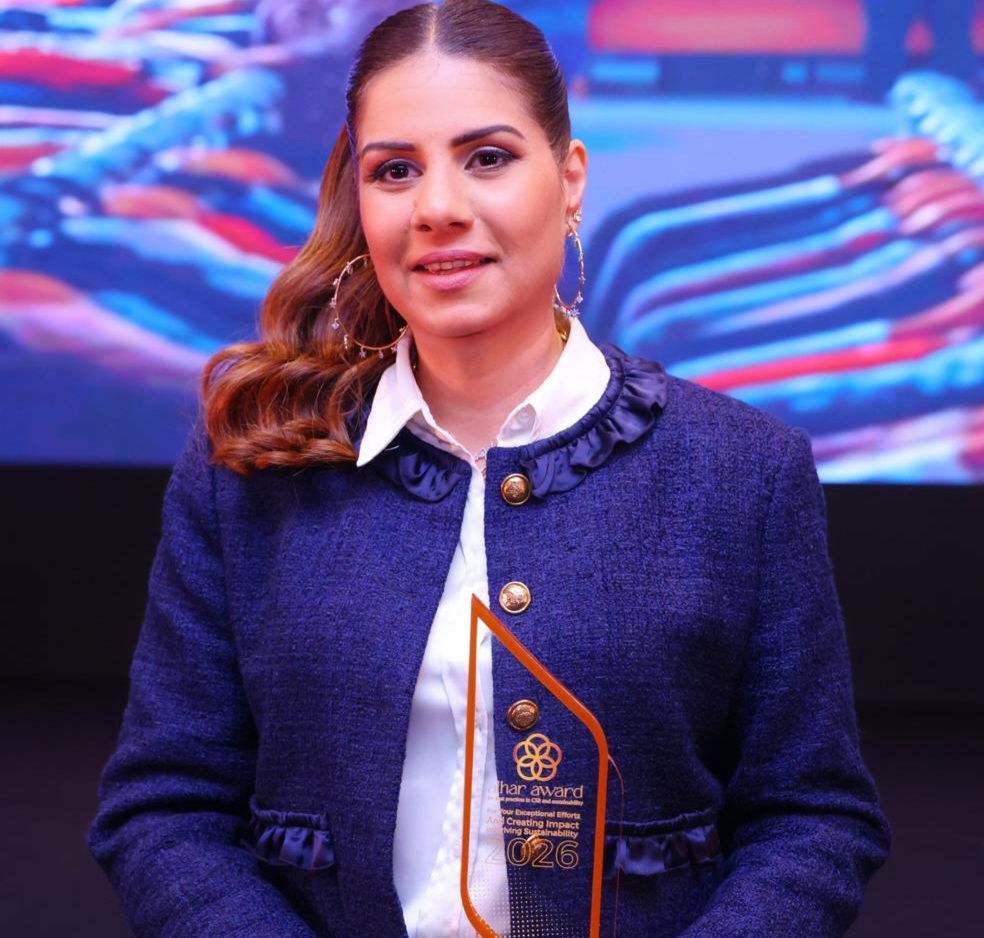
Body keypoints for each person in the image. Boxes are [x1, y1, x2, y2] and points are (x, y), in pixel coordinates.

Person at [88, 2, 891, 937]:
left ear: (571, 176)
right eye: (395, 170)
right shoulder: (250, 463)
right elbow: (164, 811)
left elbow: (811, 822)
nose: (437, 208)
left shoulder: (742, 472)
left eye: (487, 157)